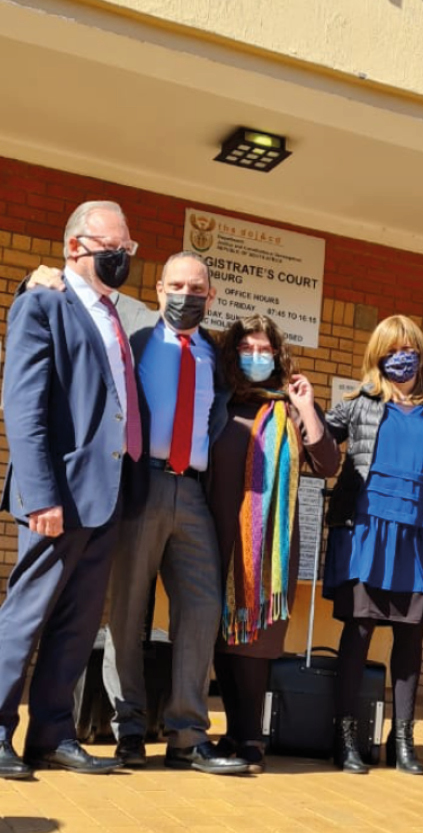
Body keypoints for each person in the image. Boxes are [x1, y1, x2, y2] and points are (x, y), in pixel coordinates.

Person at [0, 200, 139, 778]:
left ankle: (51, 735)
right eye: (113, 248)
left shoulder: (114, 316)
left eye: (128, 250)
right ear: (76, 246)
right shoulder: (43, 303)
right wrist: (41, 495)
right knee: (26, 616)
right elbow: (24, 407)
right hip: (59, 496)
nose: (123, 258)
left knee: (78, 623)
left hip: (107, 497)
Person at [100, 252, 248, 775]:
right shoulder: (134, 342)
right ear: (159, 289)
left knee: (202, 608)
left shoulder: (215, 355)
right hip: (142, 487)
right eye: (176, 285)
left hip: (193, 494)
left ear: (211, 297)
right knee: (127, 614)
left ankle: (188, 735)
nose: (185, 295)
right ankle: (130, 730)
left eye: (196, 288)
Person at [323, 315, 423, 775]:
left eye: (409, 348)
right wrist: (299, 406)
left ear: (421, 353)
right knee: (358, 635)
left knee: (410, 642)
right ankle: (345, 740)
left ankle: (402, 742)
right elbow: (317, 442)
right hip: (366, 529)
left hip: (420, 534)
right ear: (377, 357)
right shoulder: (357, 405)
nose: (402, 357)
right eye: (391, 350)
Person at [209, 315, 339, 773]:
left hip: (268, 551)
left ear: (278, 355)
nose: (257, 358)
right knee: (221, 644)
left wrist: (306, 408)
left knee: (257, 644)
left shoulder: (289, 406)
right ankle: (230, 731)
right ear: (233, 356)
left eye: (265, 350)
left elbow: (327, 464)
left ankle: (250, 738)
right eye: (248, 349)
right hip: (214, 538)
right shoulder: (219, 403)